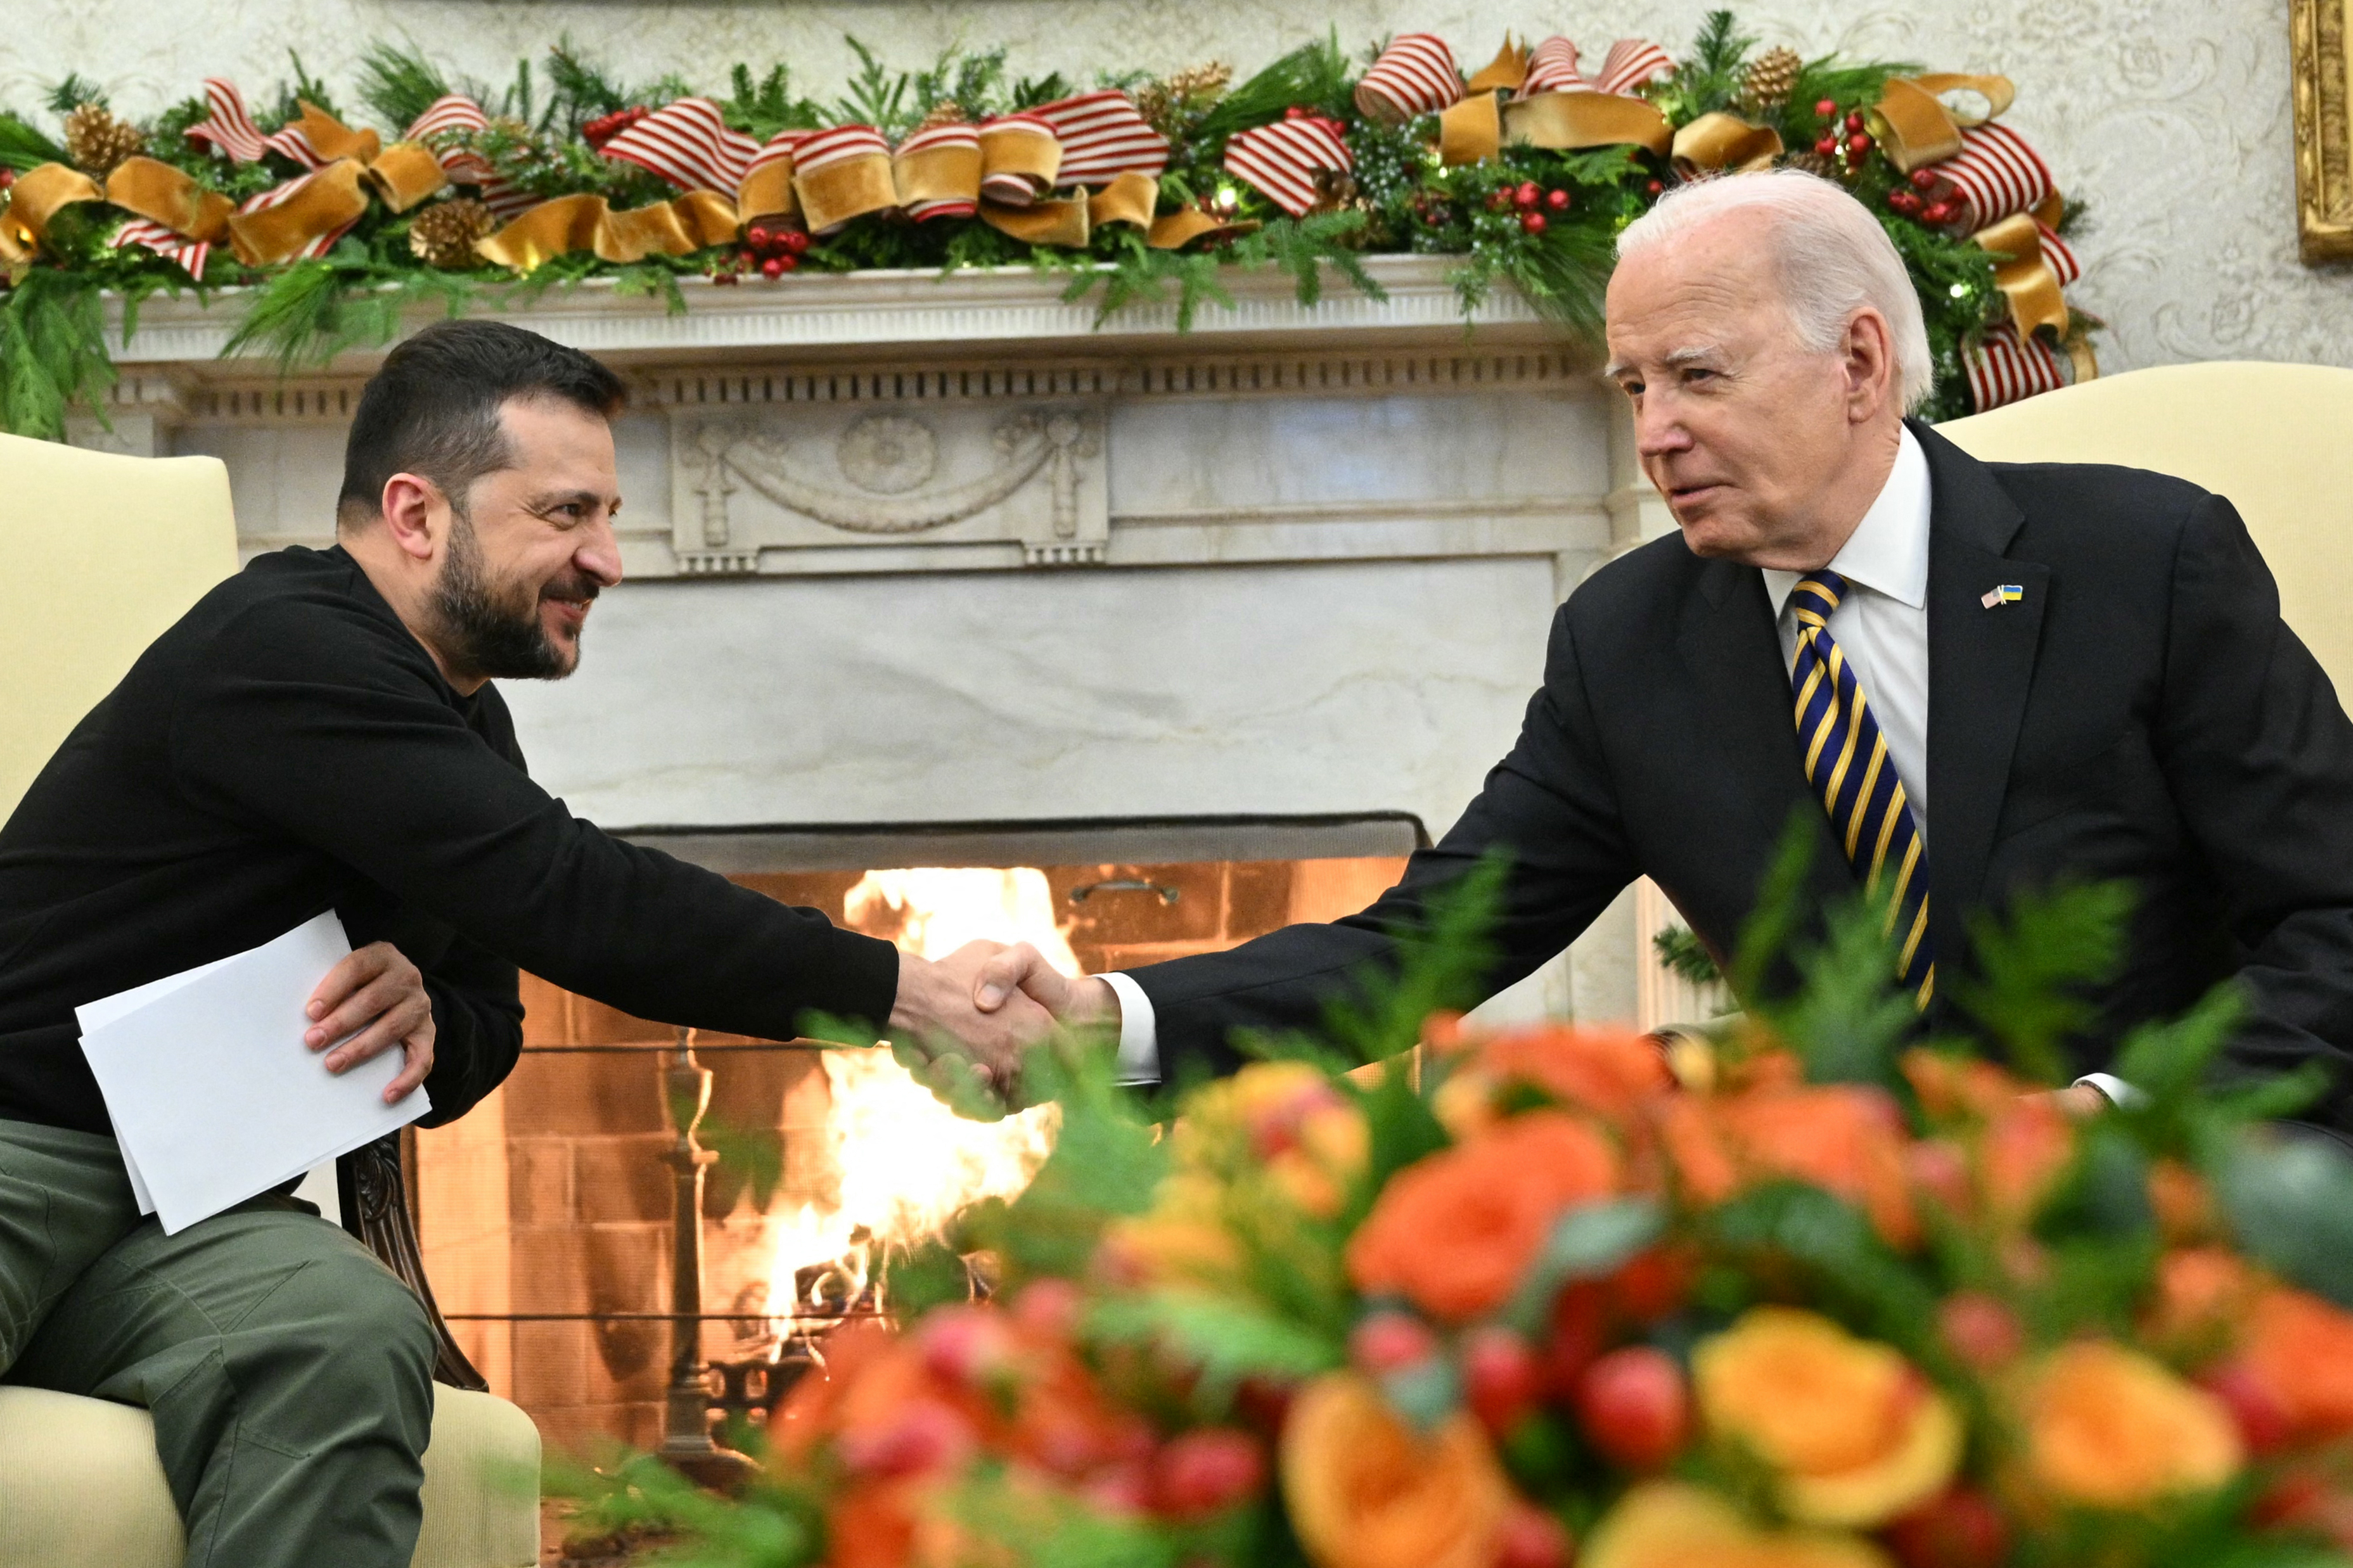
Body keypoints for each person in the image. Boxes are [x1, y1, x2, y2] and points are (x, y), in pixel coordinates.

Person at [975, 169, 2353, 1126]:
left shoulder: (2141, 560)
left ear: (1859, 363)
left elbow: (2336, 924)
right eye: (1636, 385)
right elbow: (1422, 945)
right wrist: (1112, 1016)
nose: (1654, 431)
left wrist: (2112, 1115)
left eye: (1699, 374)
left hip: (2197, 1162)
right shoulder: (1630, 644)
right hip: (1861, 1214)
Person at [0, 319, 1044, 1567]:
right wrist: (905, 989)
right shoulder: (284, 646)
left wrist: (434, 1024)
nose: (604, 556)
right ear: (416, 513)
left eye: (606, 514)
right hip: (17, 1154)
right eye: (562, 513)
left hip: (189, 1212)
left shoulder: (462, 715)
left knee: (338, 1327)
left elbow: (495, 1011)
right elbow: (572, 896)